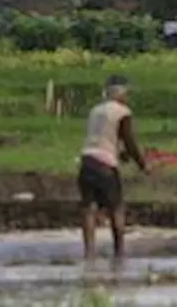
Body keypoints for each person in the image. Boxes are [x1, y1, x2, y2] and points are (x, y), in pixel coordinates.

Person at [77, 74, 149, 260]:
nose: (127, 97)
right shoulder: (122, 112)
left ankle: (89, 252)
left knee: (89, 208)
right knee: (116, 208)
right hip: (105, 166)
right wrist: (143, 165)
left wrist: (121, 154)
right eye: (127, 93)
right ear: (120, 93)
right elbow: (129, 141)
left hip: (87, 161)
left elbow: (103, 138)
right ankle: (119, 252)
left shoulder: (96, 110)